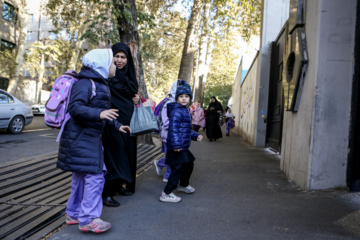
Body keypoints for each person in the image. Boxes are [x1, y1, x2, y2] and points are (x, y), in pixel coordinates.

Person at [57, 49, 131, 233]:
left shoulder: (97, 83)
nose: (115, 65)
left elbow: (102, 112)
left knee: (81, 177)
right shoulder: (86, 83)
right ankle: (89, 219)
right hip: (83, 138)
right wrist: (99, 114)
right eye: (113, 63)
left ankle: (74, 214)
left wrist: (116, 125)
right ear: (102, 64)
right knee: (96, 176)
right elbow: (75, 108)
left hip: (83, 137)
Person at [101, 42, 140, 207]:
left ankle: (120, 185)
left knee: (127, 153)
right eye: (116, 56)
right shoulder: (106, 74)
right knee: (114, 155)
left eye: (123, 57)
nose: (119, 60)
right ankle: (107, 192)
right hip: (112, 121)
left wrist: (137, 99)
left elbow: (134, 92)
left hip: (129, 121)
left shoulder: (129, 75)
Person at [159, 80, 203, 203]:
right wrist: (176, 144)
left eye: (186, 96)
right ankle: (166, 193)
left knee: (189, 163)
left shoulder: (185, 110)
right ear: (177, 98)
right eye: (181, 96)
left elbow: (185, 130)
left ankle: (183, 185)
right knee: (177, 168)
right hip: (176, 146)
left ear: (190, 98)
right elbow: (173, 129)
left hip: (182, 146)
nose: (184, 99)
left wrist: (195, 135)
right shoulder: (177, 111)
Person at [153, 80, 179, 182]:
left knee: (171, 155)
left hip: (175, 135)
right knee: (171, 156)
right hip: (168, 134)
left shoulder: (180, 102)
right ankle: (168, 176)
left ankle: (160, 164)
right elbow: (166, 120)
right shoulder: (169, 102)